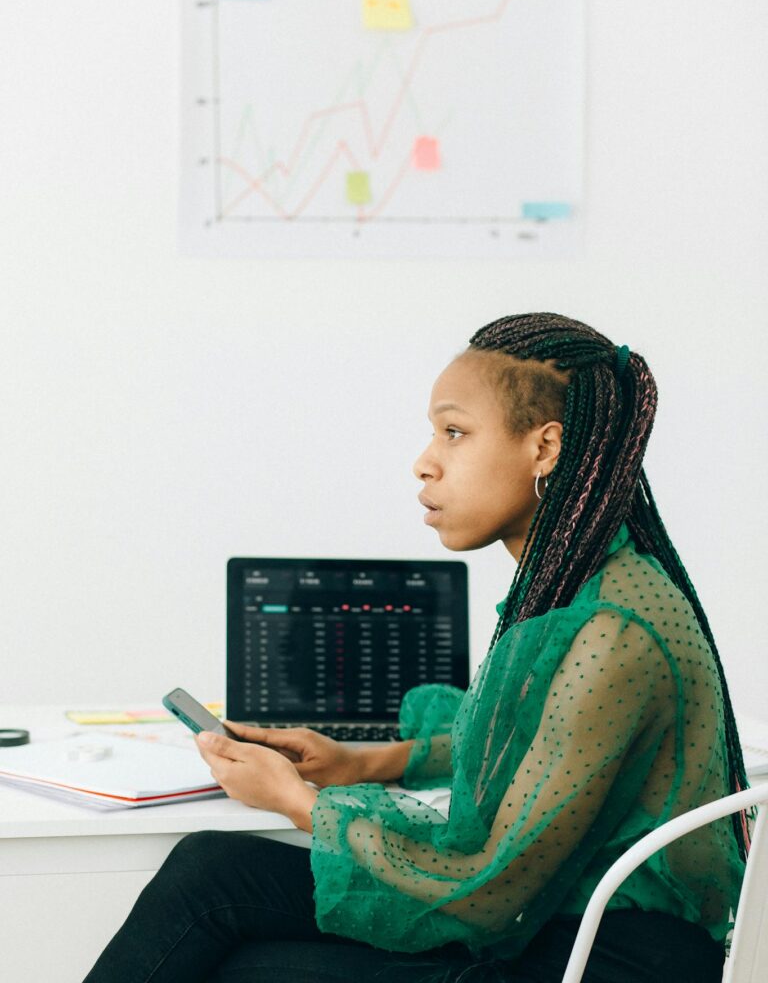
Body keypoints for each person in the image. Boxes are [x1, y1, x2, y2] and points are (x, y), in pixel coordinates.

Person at [84, 312, 746, 983]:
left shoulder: (612, 629)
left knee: (250, 966)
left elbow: (492, 894)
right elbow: (526, 744)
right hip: (554, 921)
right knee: (210, 870)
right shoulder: (576, 582)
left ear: (544, 448)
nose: (425, 461)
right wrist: (356, 762)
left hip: (595, 959)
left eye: (454, 433)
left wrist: (297, 801)